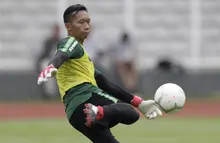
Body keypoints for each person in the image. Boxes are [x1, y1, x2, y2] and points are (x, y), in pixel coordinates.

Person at [37, 4, 162, 143]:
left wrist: (140, 103)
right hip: (85, 99)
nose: (86, 26)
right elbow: (61, 55)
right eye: (81, 22)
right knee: (130, 113)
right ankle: (98, 112)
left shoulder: (83, 60)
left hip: (75, 115)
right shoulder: (71, 42)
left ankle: (98, 113)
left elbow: (107, 85)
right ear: (68, 27)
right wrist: (51, 67)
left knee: (129, 115)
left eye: (88, 22)